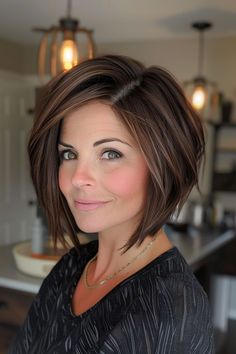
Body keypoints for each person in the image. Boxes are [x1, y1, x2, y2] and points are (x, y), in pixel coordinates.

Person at [10, 54, 215, 353]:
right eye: (69, 154)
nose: (78, 178)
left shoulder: (171, 312)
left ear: (164, 165)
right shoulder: (73, 266)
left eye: (110, 154)